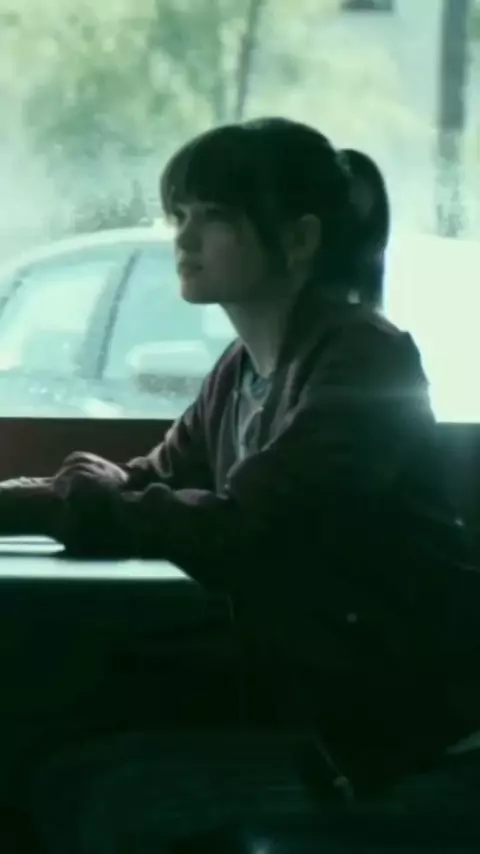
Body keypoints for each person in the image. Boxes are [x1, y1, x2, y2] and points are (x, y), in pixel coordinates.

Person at [3, 117, 480, 852]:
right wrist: (39, 496)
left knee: (88, 790)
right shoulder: (239, 370)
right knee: (51, 754)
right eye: (180, 216)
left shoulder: (363, 358)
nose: (184, 239)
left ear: (299, 239)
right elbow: (152, 480)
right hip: (319, 704)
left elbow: (248, 527)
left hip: (400, 734)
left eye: (215, 216)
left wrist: (81, 499)